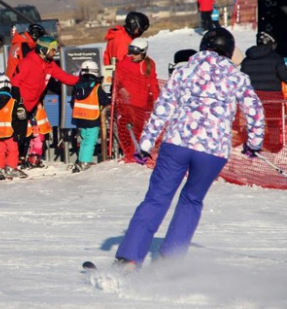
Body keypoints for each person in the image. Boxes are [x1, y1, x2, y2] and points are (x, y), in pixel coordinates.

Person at [114, 28, 265, 268]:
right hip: (212, 152)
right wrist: (253, 143)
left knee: (156, 199)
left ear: (203, 47)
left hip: (178, 144)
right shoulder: (237, 77)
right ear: (228, 51)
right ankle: (169, 263)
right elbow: (255, 111)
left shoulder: (184, 72)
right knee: (191, 200)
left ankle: (128, 259)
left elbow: (163, 108)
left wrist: (145, 144)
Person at [11, 36, 79, 166]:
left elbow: (64, 77)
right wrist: (19, 105)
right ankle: (12, 162)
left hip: (33, 104)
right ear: (43, 50)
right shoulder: (28, 62)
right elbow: (15, 84)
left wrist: (83, 79)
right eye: (52, 50)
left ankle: (25, 158)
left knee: (32, 133)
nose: (54, 53)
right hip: (20, 104)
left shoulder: (49, 64)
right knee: (19, 134)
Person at [114, 38, 160, 163]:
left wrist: (157, 99)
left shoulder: (150, 64)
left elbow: (153, 83)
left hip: (142, 103)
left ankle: (138, 153)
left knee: (139, 129)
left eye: (135, 53)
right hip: (127, 103)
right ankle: (130, 154)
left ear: (143, 52)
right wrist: (121, 88)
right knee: (130, 128)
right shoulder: (124, 63)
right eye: (130, 52)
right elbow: (118, 79)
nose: (132, 56)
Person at [71, 61, 110, 173]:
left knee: (84, 140)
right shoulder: (96, 87)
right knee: (90, 141)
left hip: (79, 119)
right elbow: (104, 100)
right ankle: (86, 162)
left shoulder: (77, 86)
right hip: (92, 119)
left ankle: (81, 160)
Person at [0, 75, 27, 180]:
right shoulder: (14, 102)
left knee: (0, 151)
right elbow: (22, 119)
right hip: (11, 133)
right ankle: (11, 168)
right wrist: (21, 133)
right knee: (13, 151)